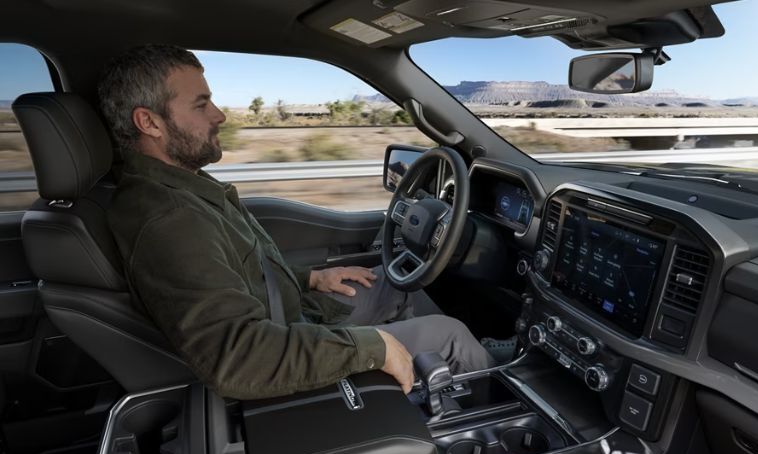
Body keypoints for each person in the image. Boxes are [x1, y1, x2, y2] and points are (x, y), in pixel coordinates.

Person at [98, 45, 495, 400]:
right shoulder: (170, 220)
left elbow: (237, 271)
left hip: (294, 316)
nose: (219, 115)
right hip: (283, 348)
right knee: (451, 334)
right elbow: (239, 359)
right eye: (201, 105)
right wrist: (374, 348)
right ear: (149, 123)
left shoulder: (179, 185)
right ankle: (489, 399)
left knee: (395, 284)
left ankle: (430, 385)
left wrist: (309, 279)